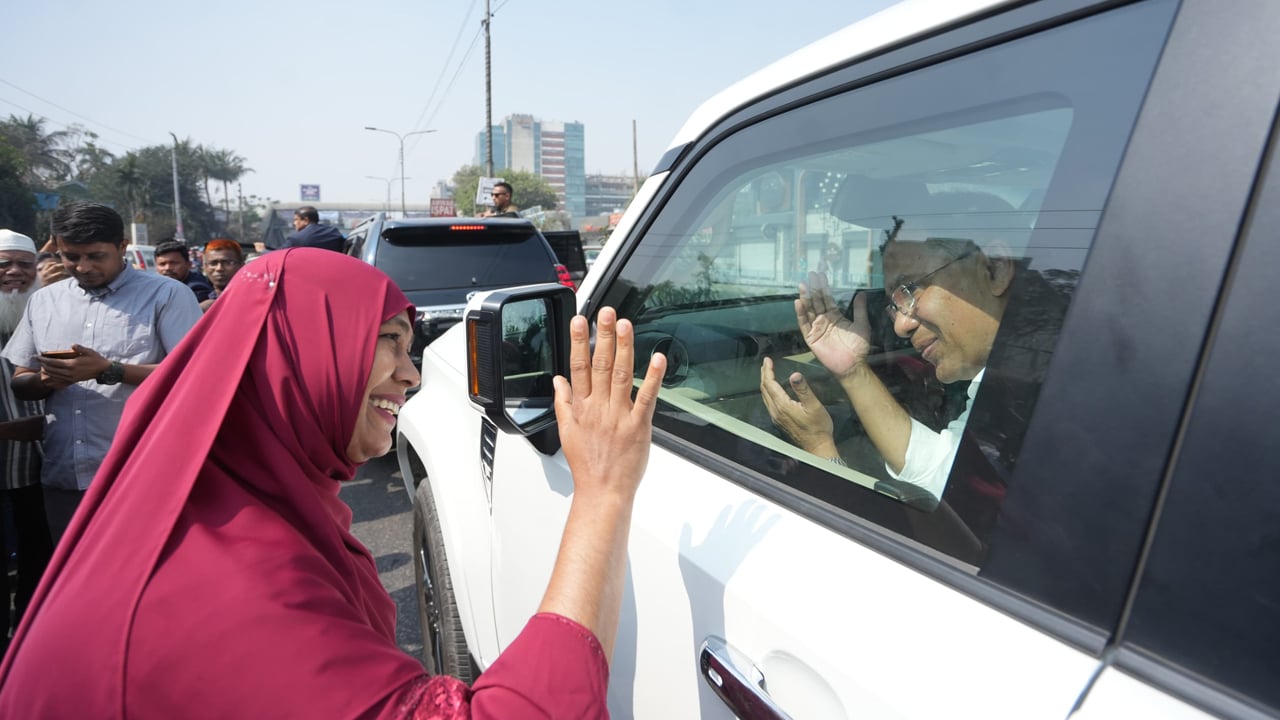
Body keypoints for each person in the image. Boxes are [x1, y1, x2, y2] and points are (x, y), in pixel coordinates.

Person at [0, 248, 666, 718]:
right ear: (294, 358)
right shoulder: (222, 580)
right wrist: (604, 490)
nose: (410, 374)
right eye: (388, 343)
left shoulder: (226, 503)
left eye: (411, 348)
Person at [761, 232, 1015, 502]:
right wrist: (853, 372)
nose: (900, 326)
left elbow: (968, 518)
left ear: (994, 268)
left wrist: (819, 446)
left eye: (911, 290)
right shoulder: (1022, 373)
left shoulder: (1033, 397)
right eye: (894, 306)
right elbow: (941, 469)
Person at [2, 202, 203, 542]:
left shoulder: (166, 295)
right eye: (71, 256)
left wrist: (110, 370)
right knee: (73, 584)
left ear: (122, 247)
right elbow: (22, 381)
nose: (83, 267)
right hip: (66, 473)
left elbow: (196, 377)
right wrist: (45, 381)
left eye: (96, 256)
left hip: (143, 473)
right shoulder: (44, 301)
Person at [0, 230, 53, 653]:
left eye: (23, 264)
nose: (15, 273)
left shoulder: (52, 317)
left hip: (43, 472)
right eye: (4, 264)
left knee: (42, 568)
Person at [198, 238, 244, 311]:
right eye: (213, 263)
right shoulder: (198, 301)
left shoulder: (253, 299)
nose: (219, 268)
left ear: (241, 266)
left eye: (227, 263)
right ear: (205, 267)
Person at [280, 205, 345, 253]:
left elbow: (278, 254)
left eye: (296, 220)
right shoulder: (333, 232)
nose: (294, 223)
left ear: (305, 220)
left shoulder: (295, 239)